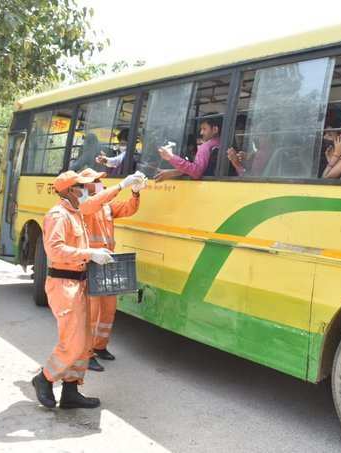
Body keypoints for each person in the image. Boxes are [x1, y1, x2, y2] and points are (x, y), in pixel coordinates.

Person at [31, 170, 144, 409]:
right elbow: (55, 250)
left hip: (79, 282)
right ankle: (44, 378)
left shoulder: (75, 214)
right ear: (71, 190)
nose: (87, 188)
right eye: (82, 186)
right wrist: (90, 253)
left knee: (83, 344)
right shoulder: (59, 215)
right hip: (64, 284)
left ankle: (71, 390)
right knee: (72, 342)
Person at [78, 168, 145, 372]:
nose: (100, 183)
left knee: (108, 309)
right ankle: (86, 353)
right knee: (92, 312)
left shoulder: (105, 206)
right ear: (85, 185)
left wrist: (135, 192)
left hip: (107, 263)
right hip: (91, 263)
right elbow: (93, 204)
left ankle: (100, 347)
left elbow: (128, 209)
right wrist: (121, 185)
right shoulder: (84, 204)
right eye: (96, 180)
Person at [155, 115, 221, 181]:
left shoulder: (206, 147)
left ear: (215, 129)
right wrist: (174, 172)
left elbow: (197, 172)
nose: (201, 133)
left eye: (204, 129)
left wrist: (171, 157)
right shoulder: (223, 145)